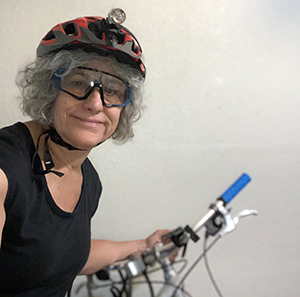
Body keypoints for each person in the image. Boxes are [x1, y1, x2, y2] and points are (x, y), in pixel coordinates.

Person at [0, 9, 169, 296]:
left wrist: (143, 246)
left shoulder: (88, 180)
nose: (95, 104)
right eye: (78, 82)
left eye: (113, 90)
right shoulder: (6, 168)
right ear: (50, 89)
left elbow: (58, 257)